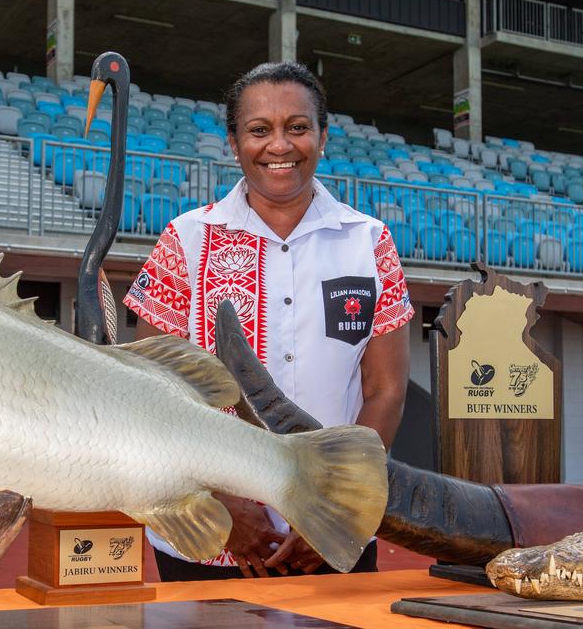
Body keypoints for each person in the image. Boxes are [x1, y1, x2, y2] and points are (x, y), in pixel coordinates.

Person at [123, 61, 413, 581]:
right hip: (207, 537)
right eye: (259, 130)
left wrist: (336, 508)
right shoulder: (185, 240)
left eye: (297, 127)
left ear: (322, 136)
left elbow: (385, 390)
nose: (279, 145)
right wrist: (218, 503)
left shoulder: (369, 242)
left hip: (334, 539)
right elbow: (151, 395)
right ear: (234, 143)